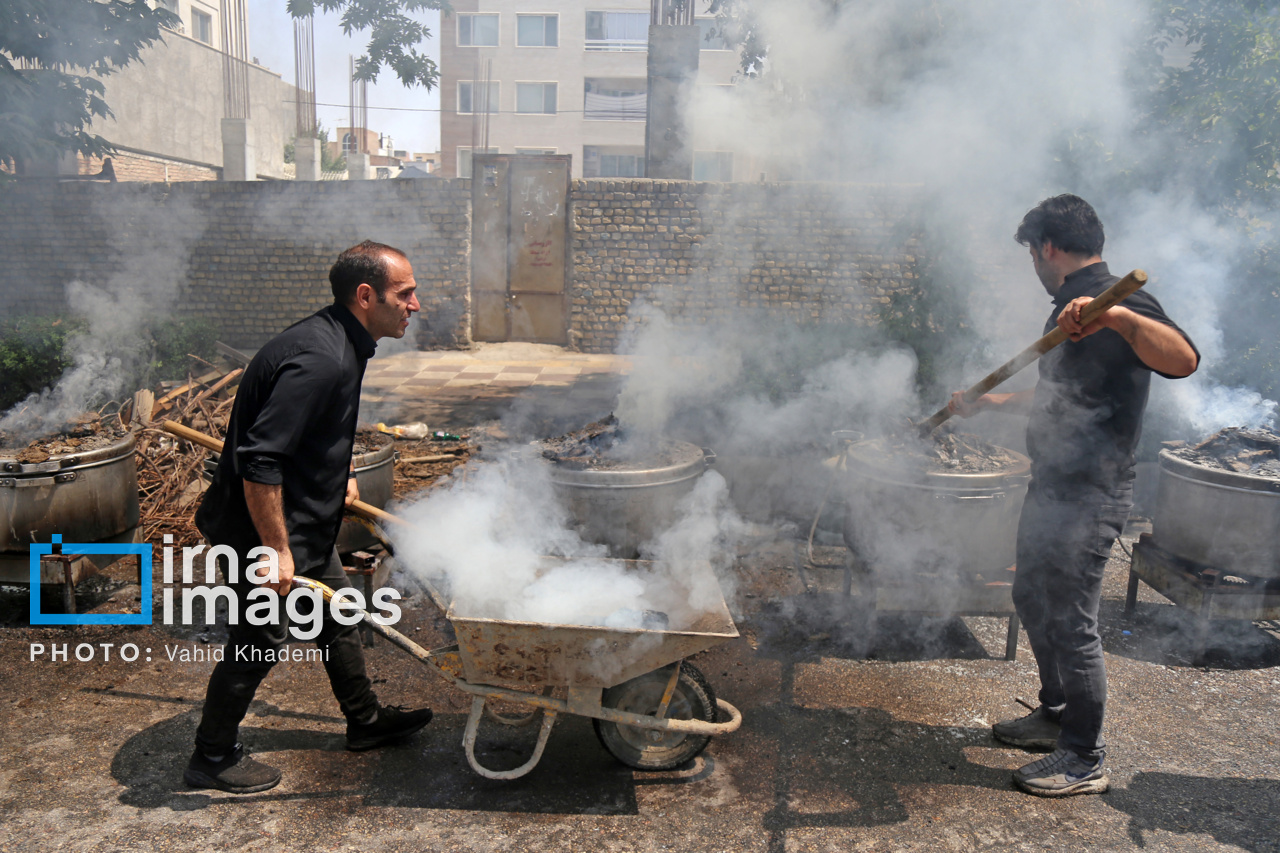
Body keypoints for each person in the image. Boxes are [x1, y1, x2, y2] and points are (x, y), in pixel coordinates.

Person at [948, 195, 1199, 797]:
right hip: (1054, 482)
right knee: (1031, 594)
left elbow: (1184, 360)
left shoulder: (1115, 298)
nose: (1033, 264)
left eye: (1032, 253)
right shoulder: (1068, 309)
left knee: (1072, 619)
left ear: (1048, 247)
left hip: (1093, 491)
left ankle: (1085, 757)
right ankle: (1056, 714)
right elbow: (1061, 393)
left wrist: (1116, 318)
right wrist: (989, 402)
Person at [184, 240, 430, 794]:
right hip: (262, 530)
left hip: (304, 522)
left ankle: (365, 724)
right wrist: (275, 548)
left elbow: (306, 433)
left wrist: (333, 473)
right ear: (366, 296)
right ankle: (212, 756)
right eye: (406, 293)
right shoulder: (321, 357)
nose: (416, 304)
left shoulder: (341, 338)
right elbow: (261, 457)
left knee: (339, 617)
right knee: (260, 641)